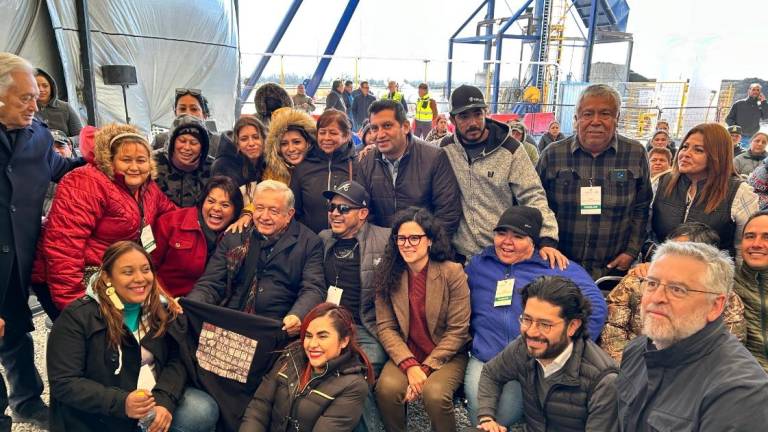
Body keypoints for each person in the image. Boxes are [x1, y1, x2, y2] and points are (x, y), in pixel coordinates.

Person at [48, 241, 219, 432]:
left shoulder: (161, 309)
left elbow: (176, 359)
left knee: (202, 411)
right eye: (128, 272)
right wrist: (122, 403)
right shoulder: (77, 316)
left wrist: (164, 400)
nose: (140, 278)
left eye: (146, 270)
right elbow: (64, 382)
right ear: (107, 277)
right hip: (99, 413)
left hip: (150, 395)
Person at [463, 206, 607, 428]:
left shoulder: (555, 265)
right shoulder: (479, 265)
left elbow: (596, 306)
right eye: (501, 234)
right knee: (481, 412)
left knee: (503, 414)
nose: (507, 242)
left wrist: (567, 343)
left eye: (518, 237)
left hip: (534, 359)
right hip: (487, 357)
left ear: (533, 242)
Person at [0, 52, 84, 429]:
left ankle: (26, 401)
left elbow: (64, 171)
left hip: (20, 259)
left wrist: (111, 159)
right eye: (26, 98)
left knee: (16, 333)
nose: (37, 105)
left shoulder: (38, 135)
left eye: (36, 96)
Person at [617, 241, 768, 431]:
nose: (657, 298)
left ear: (716, 306)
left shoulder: (740, 392)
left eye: (677, 289)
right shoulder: (637, 350)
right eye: (652, 283)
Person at [38, 122, 177, 308]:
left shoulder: (147, 189)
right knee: (100, 333)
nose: (135, 167)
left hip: (111, 274)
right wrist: (74, 305)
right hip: (77, 277)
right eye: (126, 160)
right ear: (109, 160)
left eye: (141, 160)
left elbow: (173, 215)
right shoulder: (86, 182)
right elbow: (63, 247)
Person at [473, 276, 618, 432]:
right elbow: (491, 373)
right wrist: (487, 418)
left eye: (545, 324)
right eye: (527, 319)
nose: (531, 332)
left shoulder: (604, 381)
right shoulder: (524, 346)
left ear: (573, 326)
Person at [537, 83, 652, 279]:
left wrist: (631, 252)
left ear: (617, 119)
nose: (596, 121)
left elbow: (641, 208)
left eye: (605, 114)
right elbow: (536, 205)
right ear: (576, 119)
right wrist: (545, 247)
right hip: (559, 266)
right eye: (588, 114)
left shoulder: (635, 153)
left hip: (612, 268)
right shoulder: (553, 154)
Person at [439, 85, 561, 264]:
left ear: (486, 112)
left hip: (502, 255)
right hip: (459, 257)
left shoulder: (511, 150)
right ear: (452, 119)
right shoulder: (445, 149)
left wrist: (547, 239)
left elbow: (533, 195)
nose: (473, 122)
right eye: (464, 116)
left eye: (478, 114)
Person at [374, 208, 470, 432]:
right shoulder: (387, 272)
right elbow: (386, 327)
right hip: (408, 351)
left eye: (414, 238)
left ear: (429, 241)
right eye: (401, 238)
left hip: (447, 354)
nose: (407, 244)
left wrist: (424, 369)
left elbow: (458, 331)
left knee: (435, 394)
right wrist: (410, 366)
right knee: (386, 389)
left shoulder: (452, 272)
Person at [188, 180, 325, 335]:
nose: (264, 217)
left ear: (289, 214)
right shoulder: (235, 236)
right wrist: (191, 306)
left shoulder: (308, 242)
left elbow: (313, 288)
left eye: (274, 211)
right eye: (259, 208)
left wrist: (297, 315)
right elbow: (210, 284)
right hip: (229, 320)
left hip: (276, 327)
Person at [600, 222, 746, 363]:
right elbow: (612, 328)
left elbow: (729, 346)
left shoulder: (725, 299)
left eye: (684, 253)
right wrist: (632, 366)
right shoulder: (637, 280)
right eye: (671, 249)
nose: (658, 297)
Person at [318, 180, 390, 432]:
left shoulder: (385, 239)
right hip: (331, 326)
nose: (335, 213)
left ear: (362, 213)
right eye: (332, 207)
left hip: (368, 329)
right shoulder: (323, 238)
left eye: (343, 209)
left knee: (355, 379)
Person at [239, 302, 373, 432]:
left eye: (322, 336)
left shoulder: (354, 386)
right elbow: (259, 408)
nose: (312, 344)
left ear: (344, 341)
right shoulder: (291, 355)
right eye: (308, 336)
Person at [651, 123, 758, 257]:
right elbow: (646, 232)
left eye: (698, 150)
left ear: (717, 155)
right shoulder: (661, 182)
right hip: (661, 269)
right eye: (685, 147)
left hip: (712, 275)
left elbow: (744, 250)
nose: (685, 154)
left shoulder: (740, 192)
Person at [358, 99, 461, 235]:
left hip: (425, 250)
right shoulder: (367, 162)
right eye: (374, 128)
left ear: (406, 127)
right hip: (381, 248)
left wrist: (427, 246)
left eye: (387, 126)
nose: (380, 134)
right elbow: (362, 211)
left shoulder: (434, 158)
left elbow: (448, 213)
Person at [152, 176, 243, 297]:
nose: (216, 208)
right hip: (164, 300)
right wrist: (166, 300)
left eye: (225, 205)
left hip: (207, 305)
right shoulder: (171, 222)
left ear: (235, 212)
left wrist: (247, 215)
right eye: (210, 201)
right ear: (202, 202)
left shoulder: (236, 234)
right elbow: (148, 268)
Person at [290, 109, 358, 233]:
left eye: (333, 133)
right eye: (322, 132)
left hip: (349, 239)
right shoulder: (303, 167)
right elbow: (295, 211)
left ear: (346, 135)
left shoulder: (358, 164)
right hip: (311, 242)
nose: (326, 138)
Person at [734, 211, 768, 372]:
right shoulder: (726, 282)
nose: (757, 244)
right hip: (744, 383)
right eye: (749, 236)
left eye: (766, 237)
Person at [154, 118, 213, 207]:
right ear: (172, 142)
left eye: (193, 143)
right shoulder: (152, 162)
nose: (187, 147)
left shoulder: (213, 167)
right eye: (182, 141)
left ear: (202, 147)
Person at [151, 89, 224, 158]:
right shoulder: (160, 141)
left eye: (194, 109)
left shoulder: (219, 143)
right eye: (182, 109)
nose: (187, 113)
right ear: (175, 113)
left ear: (204, 115)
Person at [212, 116, 266, 205]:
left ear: (264, 139)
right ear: (237, 143)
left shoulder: (268, 164)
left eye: (256, 137)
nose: (251, 143)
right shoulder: (223, 166)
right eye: (244, 139)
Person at [263, 107, 315, 185]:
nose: (291, 149)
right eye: (284, 144)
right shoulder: (271, 175)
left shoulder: (320, 170)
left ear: (308, 142)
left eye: (297, 142)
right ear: (277, 148)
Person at [33, 68, 82, 138]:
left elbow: (81, 136)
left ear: (52, 87)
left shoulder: (65, 107)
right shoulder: (27, 109)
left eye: (45, 86)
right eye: (36, 86)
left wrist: (68, 142)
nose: (41, 90)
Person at [42, 129, 75, 215]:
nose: (55, 151)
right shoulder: (37, 170)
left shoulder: (82, 171)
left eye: (60, 146)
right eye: (50, 148)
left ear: (70, 147)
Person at [726, 83, 768, 147]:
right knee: (736, 155)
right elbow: (728, 119)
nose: (756, 91)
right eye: (753, 89)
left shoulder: (761, 105)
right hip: (739, 137)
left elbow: (766, 116)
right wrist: (737, 130)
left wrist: (764, 102)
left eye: (758, 90)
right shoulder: (739, 104)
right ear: (749, 91)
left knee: (748, 156)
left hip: (753, 137)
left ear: (760, 92)